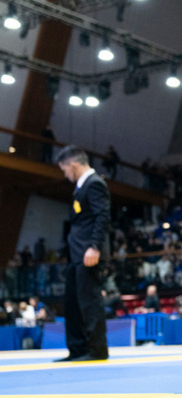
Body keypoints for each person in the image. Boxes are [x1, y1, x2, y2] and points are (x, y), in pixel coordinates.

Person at [53, 145, 111, 362]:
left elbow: (102, 217)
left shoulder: (94, 184)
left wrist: (94, 246)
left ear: (73, 165)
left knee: (89, 302)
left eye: (65, 170)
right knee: (73, 303)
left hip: (89, 253)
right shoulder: (81, 186)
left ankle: (97, 350)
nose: (65, 174)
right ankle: (77, 349)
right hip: (76, 254)